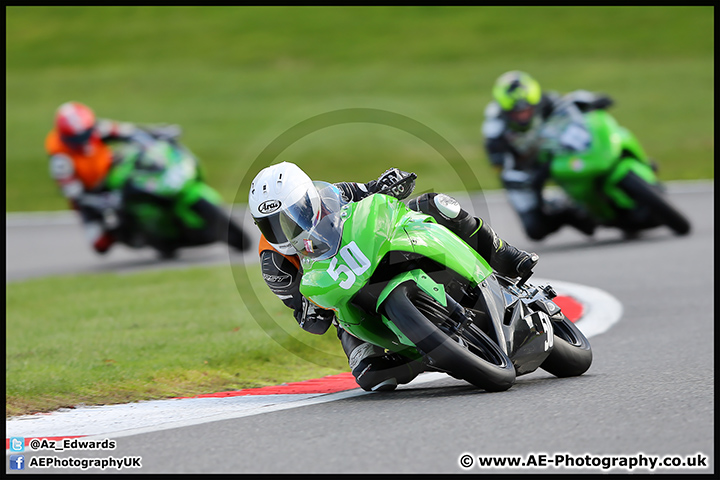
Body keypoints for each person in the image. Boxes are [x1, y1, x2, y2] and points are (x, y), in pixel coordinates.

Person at [248, 161, 539, 392]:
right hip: (349, 304)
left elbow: (374, 189)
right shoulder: (274, 264)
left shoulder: (335, 194)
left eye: (290, 216)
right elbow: (309, 319)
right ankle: (425, 354)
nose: (284, 231)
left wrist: (391, 183)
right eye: (270, 225)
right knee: (372, 376)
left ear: (308, 199)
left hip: (376, 249)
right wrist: (313, 307)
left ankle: (507, 255)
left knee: (436, 204)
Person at [46, 101, 247, 256]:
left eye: (86, 134)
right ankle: (134, 234)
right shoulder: (61, 161)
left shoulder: (97, 128)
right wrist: (101, 201)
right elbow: (76, 195)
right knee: (100, 244)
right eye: (77, 138)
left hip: (112, 170)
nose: (84, 141)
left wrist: (157, 132)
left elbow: (130, 132)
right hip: (93, 195)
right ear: (65, 136)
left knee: (142, 168)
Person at [481, 70, 615, 241]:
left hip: (556, 153)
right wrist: (515, 177)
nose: (522, 115)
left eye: (527, 109)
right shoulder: (494, 124)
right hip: (527, 169)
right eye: (516, 113)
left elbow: (569, 102)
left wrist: (592, 101)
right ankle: (569, 212)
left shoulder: (547, 100)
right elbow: (498, 164)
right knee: (535, 229)